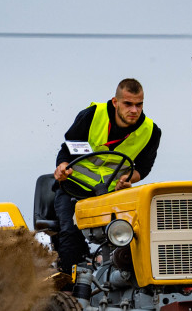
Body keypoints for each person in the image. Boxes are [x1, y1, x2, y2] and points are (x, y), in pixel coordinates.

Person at [52, 78, 162, 274]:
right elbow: (67, 150)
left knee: (135, 233)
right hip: (76, 190)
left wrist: (128, 179)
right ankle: (68, 284)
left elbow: (143, 168)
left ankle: (130, 277)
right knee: (70, 231)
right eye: (128, 104)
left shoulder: (151, 131)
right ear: (115, 102)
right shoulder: (92, 116)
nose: (134, 110)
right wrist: (62, 168)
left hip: (113, 195)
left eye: (139, 105)